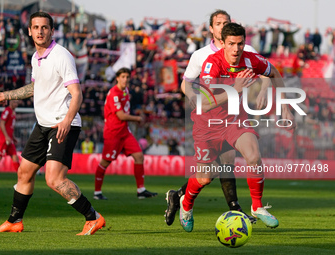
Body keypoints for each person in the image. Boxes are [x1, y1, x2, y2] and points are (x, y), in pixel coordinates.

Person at [178, 22, 295, 232]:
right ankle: (185, 204)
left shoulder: (251, 60)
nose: (236, 49)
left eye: (240, 44)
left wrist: (285, 105)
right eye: (231, 44)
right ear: (222, 43)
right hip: (207, 125)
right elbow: (204, 103)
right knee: (205, 176)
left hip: (235, 121)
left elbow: (274, 73)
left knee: (253, 156)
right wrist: (234, 87)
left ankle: (257, 206)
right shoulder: (211, 65)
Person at [0, 12, 105, 235]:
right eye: (35, 27)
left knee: (54, 178)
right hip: (43, 124)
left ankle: (93, 217)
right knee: (24, 172)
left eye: (44, 27)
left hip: (63, 124)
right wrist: (5, 96)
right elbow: (35, 87)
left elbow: (77, 94)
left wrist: (66, 120)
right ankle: (15, 221)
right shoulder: (36, 58)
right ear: (29, 31)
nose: (40, 31)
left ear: (52, 31)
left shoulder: (62, 56)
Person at [165, 10, 269, 227]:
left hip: (233, 118)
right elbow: (186, 83)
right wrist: (194, 97)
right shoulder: (201, 56)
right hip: (208, 120)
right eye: (218, 23)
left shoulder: (243, 48)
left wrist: (263, 91)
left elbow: (265, 70)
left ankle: (238, 208)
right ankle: (182, 198)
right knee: (207, 174)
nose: (222, 26)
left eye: (226, 23)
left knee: (232, 161)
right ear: (211, 29)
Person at [93, 67, 157, 200]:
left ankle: (141, 190)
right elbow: (121, 115)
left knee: (139, 156)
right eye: (123, 77)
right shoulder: (114, 93)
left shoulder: (125, 91)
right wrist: (137, 118)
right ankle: (97, 192)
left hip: (124, 132)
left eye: (127, 77)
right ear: (117, 78)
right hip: (113, 133)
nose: (125, 79)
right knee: (105, 162)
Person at [0, 100, 20, 174]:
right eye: (15, 102)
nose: (16, 104)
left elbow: (10, 127)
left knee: (15, 156)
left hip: (9, 139)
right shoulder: (7, 111)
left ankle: (21, 178)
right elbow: (2, 124)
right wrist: (6, 136)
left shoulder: (13, 112)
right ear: (11, 102)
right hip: (4, 139)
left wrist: (13, 137)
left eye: (17, 103)